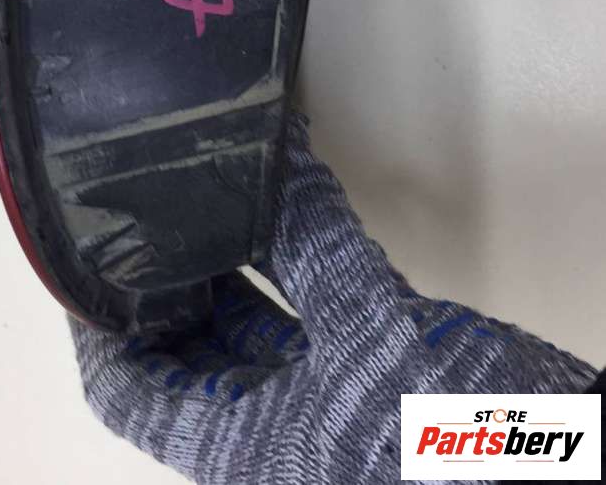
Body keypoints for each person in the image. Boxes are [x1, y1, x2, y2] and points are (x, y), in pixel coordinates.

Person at [68, 112, 604, 483]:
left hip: (563, 441)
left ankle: (225, 107)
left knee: (223, 293)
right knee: (129, 380)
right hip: (483, 448)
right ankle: (209, 106)